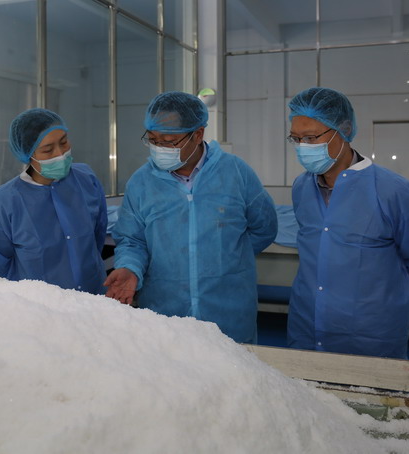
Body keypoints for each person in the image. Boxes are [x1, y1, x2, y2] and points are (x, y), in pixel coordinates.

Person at [104, 91, 278, 343]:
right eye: (153, 140)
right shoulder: (141, 183)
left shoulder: (235, 173)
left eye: (169, 141)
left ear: (198, 135)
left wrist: (226, 257)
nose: (160, 148)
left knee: (232, 367)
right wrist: (130, 268)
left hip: (228, 312)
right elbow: (132, 240)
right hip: (165, 312)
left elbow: (264, 227)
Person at [286, 87, 409, 358]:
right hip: (307, 324)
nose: (303, 148)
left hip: (371, 333)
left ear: (343, 130)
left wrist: (378, 301)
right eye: (296, 139)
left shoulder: (393, 191)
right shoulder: (302, 187)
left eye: (311, 138)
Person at [0, 108, 108, 294]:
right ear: (27, 154)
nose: (60, 153)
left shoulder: (87, 179)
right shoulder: (3, 201)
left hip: (93, 295)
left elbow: (98, 235)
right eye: (48, 150)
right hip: (41, 305)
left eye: (64, 142)